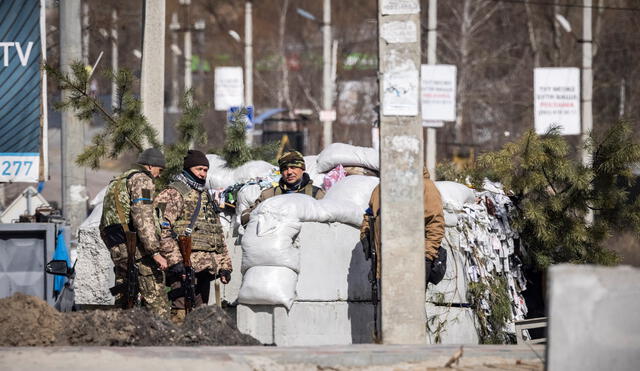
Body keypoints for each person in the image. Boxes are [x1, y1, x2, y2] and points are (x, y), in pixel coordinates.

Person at [155, 150, 232, 322]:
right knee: (180, 312)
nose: (203, 174)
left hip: (206, 268)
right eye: (199, 169)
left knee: (201, 315)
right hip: (184, 266)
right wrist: (175, 261)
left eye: (205, 170)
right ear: (188, 169)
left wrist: (225, 265)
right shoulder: (173, 193)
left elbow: (216, 233)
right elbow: (162, 229)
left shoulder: (205, 196)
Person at [99, 148, 170, 318]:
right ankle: (163, 341)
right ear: (151, 166)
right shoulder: (141, 179)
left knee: (124, 298)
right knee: (157, 303)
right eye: (159, 170)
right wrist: (154, 252)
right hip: (135, 248)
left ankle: (122, 336)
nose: (158, 176)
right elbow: (142, 216)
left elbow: (104, 222)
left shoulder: (117, 181)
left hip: (118, 247)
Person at [360, 167, 445, 283]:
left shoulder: (426, 188)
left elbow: (435, 225)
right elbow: (369, 215)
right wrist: (365, 234)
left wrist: (426, 258)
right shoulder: (380, 189)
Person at [240, 150, 325, 226]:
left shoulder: (316, 194)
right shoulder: (269, 195)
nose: (289, 172)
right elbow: (245, 217)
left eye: (293, 167)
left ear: (302, 169)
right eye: (284, 169)